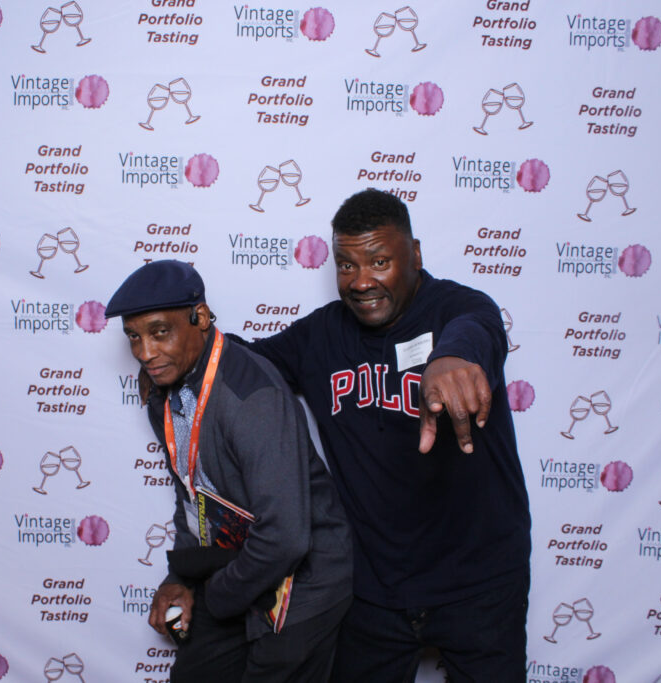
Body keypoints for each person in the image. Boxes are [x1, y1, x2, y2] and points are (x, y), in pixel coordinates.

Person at [243, 189, 531, 683]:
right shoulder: (321, 335)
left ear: (414, 254)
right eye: (346, 265)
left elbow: (476, 330)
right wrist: (186, 359)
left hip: (480, 584)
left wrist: (451, 359)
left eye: (379, 261)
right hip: (373, 591)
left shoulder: (460, 309)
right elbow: (246, 366)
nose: (361, 281)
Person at [106, 259, 352, 683]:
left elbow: (286, 538)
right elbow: (192, 495)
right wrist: (182, 576)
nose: (145, 353)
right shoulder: (164, 392)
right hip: (240, 569)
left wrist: (216, 597)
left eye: (160, 332)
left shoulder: (252, 398)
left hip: (302, 585)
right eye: (134, 337)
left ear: (200, 318)